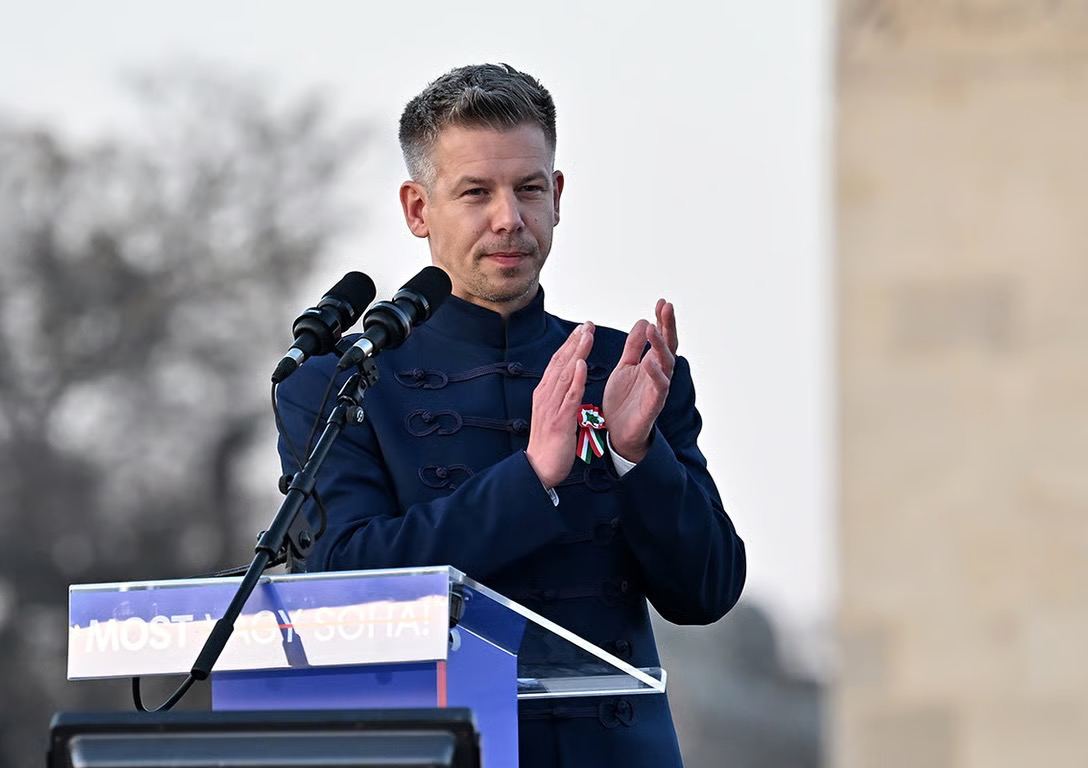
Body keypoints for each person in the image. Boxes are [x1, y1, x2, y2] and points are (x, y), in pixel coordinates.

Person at [276, 63, 746, 767]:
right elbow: (348, 582)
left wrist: (636, 456)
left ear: (557, 197)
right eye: (476, 192)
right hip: (433, 752)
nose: (509, 218)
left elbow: (706, 590)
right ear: (417, 209)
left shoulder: (630, 370)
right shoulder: (335, 384)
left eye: (529, 188)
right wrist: (530, 479)